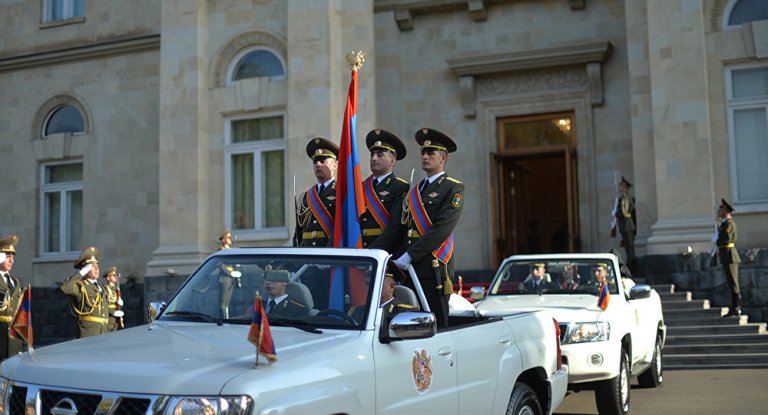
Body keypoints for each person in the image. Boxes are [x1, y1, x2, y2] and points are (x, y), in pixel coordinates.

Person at [392, 128, 464, 328]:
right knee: (410, 325)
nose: (424, 156)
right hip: (409, 269)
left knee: (435, 325)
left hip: (433, 268)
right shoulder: (415, 190)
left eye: (430, 153)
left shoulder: (453, 188)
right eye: (423, 152)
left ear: (443, 158)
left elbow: (442, 229)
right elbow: (405, 228)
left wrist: (409, 255)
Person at [361, 129, 409, 251]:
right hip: (359, 250)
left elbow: (396, 226)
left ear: (392, 161)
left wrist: (372, 251)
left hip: (384, 252)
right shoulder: (360, 187)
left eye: (380, 155)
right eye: (372, 154)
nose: (374, 158)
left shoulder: (400, 187)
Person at [294, 137, 339, 247]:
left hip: (329, 254)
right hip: (307, 255)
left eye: (323, 160)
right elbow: (299, 232)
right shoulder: (305, 196)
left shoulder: (341, 192)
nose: (318, 164)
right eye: (315, 161)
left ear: (334, 165)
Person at [60, 247, 110, 338]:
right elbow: (65, 288)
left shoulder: (101, 288)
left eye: (97, 266)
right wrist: (81, 273)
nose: (96, 269)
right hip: (88, 333)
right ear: (85, 269)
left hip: (104, 332)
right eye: (91, 267)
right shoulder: (81, 286)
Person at [715, 198, 741, 317]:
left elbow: (725, 239)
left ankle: (736, 307)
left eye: (721, 208)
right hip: (726, 255)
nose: (718, 210)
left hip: (730, 255)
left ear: (726, 210)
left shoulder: (729, 223)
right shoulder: (724, 224)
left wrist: (717, 239)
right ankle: (735, 307)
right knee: (731, 283)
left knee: (733, 283)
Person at [0, 235, 23, 359]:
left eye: (13, 257)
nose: (11, 261)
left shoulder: (15, 282)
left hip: (13, 336)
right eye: (8, 257)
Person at [379, 263, 414, 342]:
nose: (370, 288)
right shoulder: (357, 311)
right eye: (368, 283)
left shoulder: (405, 313)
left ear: (391, 286)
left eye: (377, 284)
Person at [612, 176, 636, 274]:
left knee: (630, 249)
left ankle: (632, 269)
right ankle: (631, 268)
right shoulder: (624, 197)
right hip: (625, 226)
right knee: (628, 249)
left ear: (625, 187)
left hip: (627, 226)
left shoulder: (625, 198)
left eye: (621, 185)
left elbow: (623, 212)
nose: (619, 187)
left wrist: (615, 213)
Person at [102, 266, 125, 332]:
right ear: (108, 278)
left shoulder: (116, 289)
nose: (116, 277)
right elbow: (104, 304)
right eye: (113, 275)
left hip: (117, 316)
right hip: (109, 316)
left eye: (116, 275)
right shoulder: (105, 288)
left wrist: (121, 305)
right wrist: (113, 312)